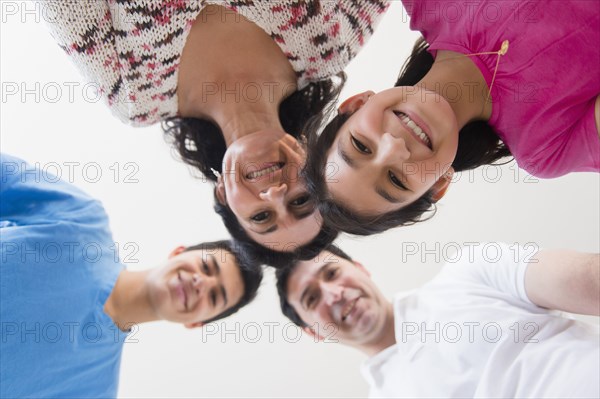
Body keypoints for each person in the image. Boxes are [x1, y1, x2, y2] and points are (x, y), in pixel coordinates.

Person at [41, 1, 389, 258]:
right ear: (318, 165)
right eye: (301, 199)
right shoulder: (329, 41)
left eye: (261, 216)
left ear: (223, 194)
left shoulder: (135, 96)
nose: (273, 193)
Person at [303, 0, 600, 235]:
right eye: (396, 179)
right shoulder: (546, 146)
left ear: (356, 104)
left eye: (361, 146)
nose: (394, 147)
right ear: (439, 184)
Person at [0, 154, 263, 398]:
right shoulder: (82, 221)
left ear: (196, 323)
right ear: (178, 252)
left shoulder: (95, 390)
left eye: (215, 296)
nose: (201, 283)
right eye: (207, 267)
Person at [276, 243, 600, 398]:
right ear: (313, 332)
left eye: (332, 273)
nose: (334, 294)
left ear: (360, 269)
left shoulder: (470, 270)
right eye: (312, 299)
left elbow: (590, 280)